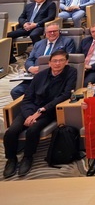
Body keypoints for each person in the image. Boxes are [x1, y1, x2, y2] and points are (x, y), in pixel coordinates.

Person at [3, 50, 77, 178]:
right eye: (55, 61)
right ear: (49, 63)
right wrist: (29, 115)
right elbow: (27, 98)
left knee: (33, 130)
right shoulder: (40, 75)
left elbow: (65, 95)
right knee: (11, 131)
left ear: (66, 62)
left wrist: (41, 111)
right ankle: (11, 159)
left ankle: (28, 157)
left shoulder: (70, 73)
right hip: (30, 109)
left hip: (49, 110)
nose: (57, 63)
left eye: (61, 60)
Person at [10, 23, 77, 99]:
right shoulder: (38, 44)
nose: (52, 33)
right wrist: (31, 68)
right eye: (49, 32)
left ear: (59, 32)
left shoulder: (67, 42)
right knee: (16, 91)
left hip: (53, 77)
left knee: (41, 93)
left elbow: (68, 60)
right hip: (35, 76)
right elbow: (30, 59)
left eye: (55, 31)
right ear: (45, 33)